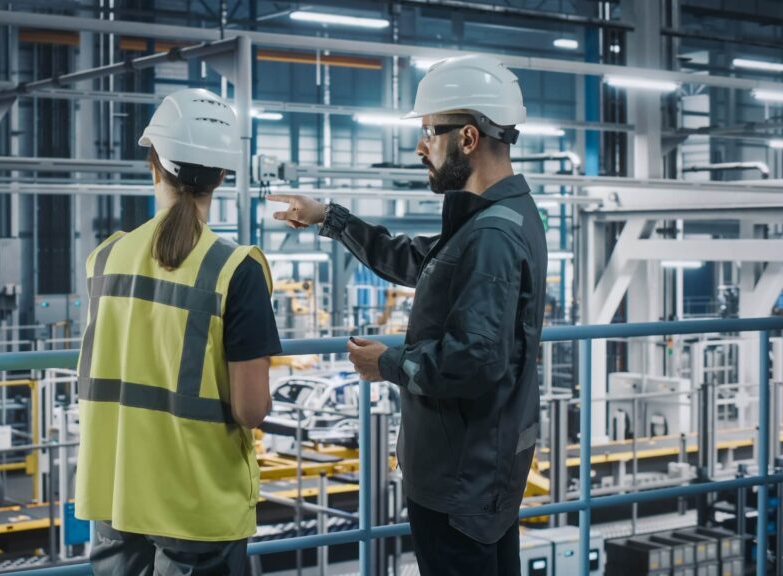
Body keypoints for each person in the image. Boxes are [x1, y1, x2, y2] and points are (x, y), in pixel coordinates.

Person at [268, 54, 548, 576]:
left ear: (467, 138)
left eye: (428, 131)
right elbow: (418, 260)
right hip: (480, 468)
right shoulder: (496, 219)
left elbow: (476, 360)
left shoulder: (490, 234)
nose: (421, 146)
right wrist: (331, 217)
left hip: (460, 479)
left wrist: (389, 364)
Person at [75, 88, 280, 576]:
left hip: (115, 490)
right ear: (223, 176)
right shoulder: (236, 269)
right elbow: (251, 408)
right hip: (195, 499)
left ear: (154, 165)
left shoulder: (105, 258)